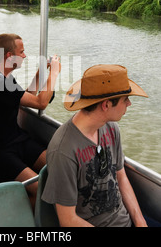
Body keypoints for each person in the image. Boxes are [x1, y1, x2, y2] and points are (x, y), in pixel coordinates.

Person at [41, 64, 148, 227]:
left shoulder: (111, 128)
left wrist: (140, 222)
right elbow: (67, 220)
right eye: (125, 99)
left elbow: (121, 176)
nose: (129, 104)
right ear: (106, 105)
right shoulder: (63, 150)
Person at [0, 33, 61, 206]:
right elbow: (41, 102)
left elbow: (28, 97)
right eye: (21, 52)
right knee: (42, 190)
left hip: (16, 140)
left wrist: (41, 73)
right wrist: (54, 72)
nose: (24, 56)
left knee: (60, 168)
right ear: (9, 56)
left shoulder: (4, 78)